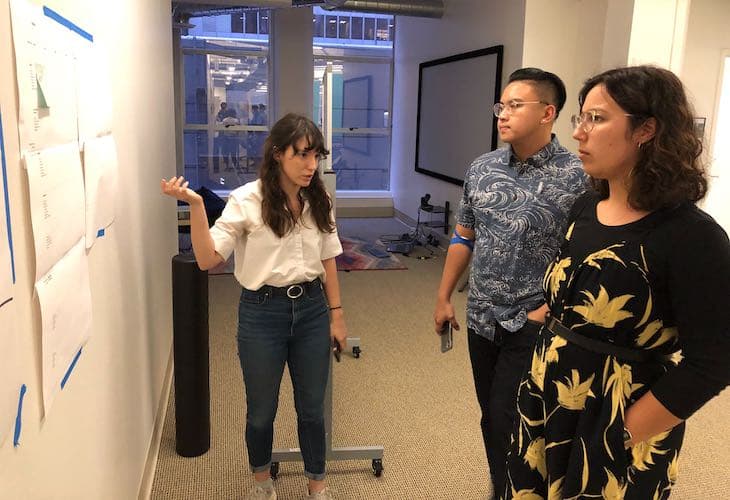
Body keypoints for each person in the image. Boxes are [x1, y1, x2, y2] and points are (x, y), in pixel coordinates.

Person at [503, 66, 730, 499]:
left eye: (597, 118)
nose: (579, 134)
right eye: (580, 119)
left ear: (646, 130)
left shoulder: (692, 236)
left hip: (618, 420)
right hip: (547, 402)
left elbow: (712, 363)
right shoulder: (586, 208)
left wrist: (617, 435)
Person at [161, 113, 347, 500]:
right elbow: (208, 258)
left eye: (316, 156)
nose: (312, 165)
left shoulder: (320, 198)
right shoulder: (247, 199)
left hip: (312, 309)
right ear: (278, 154)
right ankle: (262, 484)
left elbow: (329, 255)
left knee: (312, 409)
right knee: (261, 411)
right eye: (302, 155)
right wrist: (196, 206)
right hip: (262, 314)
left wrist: (337, 313)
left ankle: (318, 485)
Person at [433, 68, 586, 498]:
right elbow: (465, 234)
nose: (502, 114)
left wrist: (549, 311)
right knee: (491, 414)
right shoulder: (482, 169)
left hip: (534, 320)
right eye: (501, 105)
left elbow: (586, 253)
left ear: (547, 113)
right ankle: (505, 485)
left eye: (515, 105)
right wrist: (444, 296)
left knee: (510, 414)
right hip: (481, 315)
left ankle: (512, 489)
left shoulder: (577, 176)